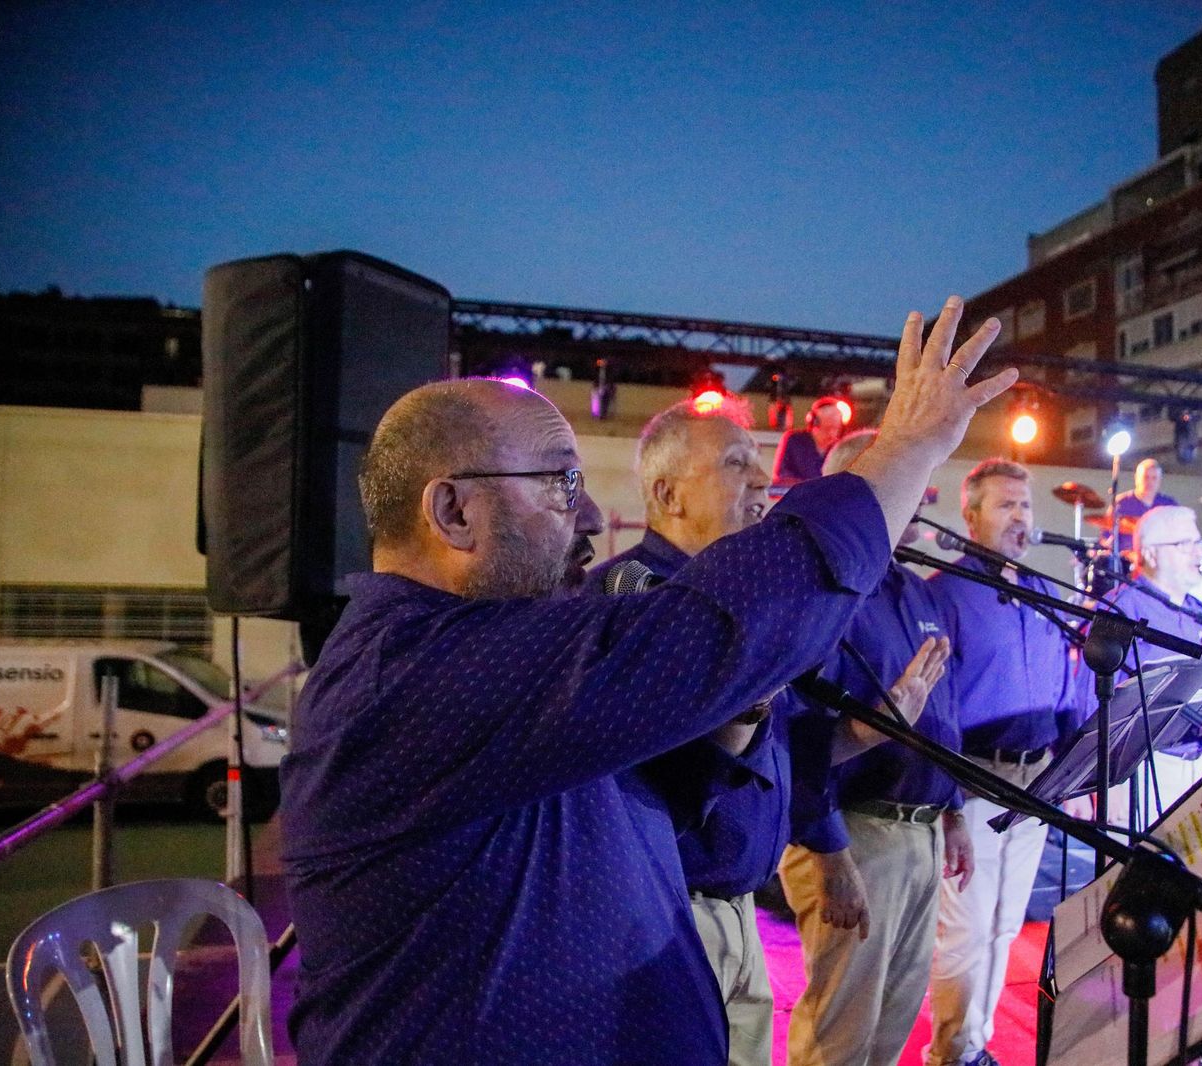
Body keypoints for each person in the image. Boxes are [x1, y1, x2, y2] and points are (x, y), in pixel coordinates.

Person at [277, 296, 1019, 1064]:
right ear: (455, 511)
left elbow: (646, 796)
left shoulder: (492, 664)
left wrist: (736, 703)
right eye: (561, 484)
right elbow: (714, 628)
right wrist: (906, 447)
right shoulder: (415, 673)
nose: (593, 515)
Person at [591, 403, 947, 1066]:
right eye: (735, 463)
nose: (764, 479)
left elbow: (779, 751)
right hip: (668, 920)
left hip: (735, 912)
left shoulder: (736, 601)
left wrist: (872, 729)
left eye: (758, 460)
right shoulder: (637, 600)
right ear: (667, 495)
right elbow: (667, 777)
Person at [780, 429, 972, 1066]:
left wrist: (953, 811)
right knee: (841, 1031)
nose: (918, 495)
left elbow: (938, 711)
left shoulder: (914, 589)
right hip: (856, 836)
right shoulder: (825, 588)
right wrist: (830, 858)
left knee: (890, 1024)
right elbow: (793, 736)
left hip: (919, 834)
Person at [926, 458, 1075, 1066]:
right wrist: (946, 801)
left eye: (1025, 505)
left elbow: (1068, 688)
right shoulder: (946, 594)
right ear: (970, 516)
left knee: (1005, 926)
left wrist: (1072, 766)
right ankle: (953, 1053)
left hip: (1037, 783)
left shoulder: (1041, 592)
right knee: (963, 931)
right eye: (1005, 505)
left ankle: (976, 1043)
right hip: (975, 784)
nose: (1020, 516)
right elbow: (934, 706)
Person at [1080, 505, 1202, 822]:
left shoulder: (1200, 611)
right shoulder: (1122, 608)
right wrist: (1103, 782)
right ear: (1152, 555)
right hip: (1141, 769)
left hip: (1195, 766)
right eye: (1186, 545)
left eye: (1199, 543)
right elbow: (1090, 699)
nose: (1198, 553)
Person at [1102, 457, 1176, 556]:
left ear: (1159, 480)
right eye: (1146, 477)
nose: (1149, 482)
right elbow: (1105, 537)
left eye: (1154, 478)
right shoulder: (1121, 503)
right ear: (1136, 478)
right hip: (1126, 563)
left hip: (1161, 563)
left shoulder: (1170, 505)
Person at [774, 396, 848, 486]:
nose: (832, 434)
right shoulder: (794, 440)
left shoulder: (841, 448)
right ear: (814, 423)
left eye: (836, 429)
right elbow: (782, 474)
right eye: (827, 429)